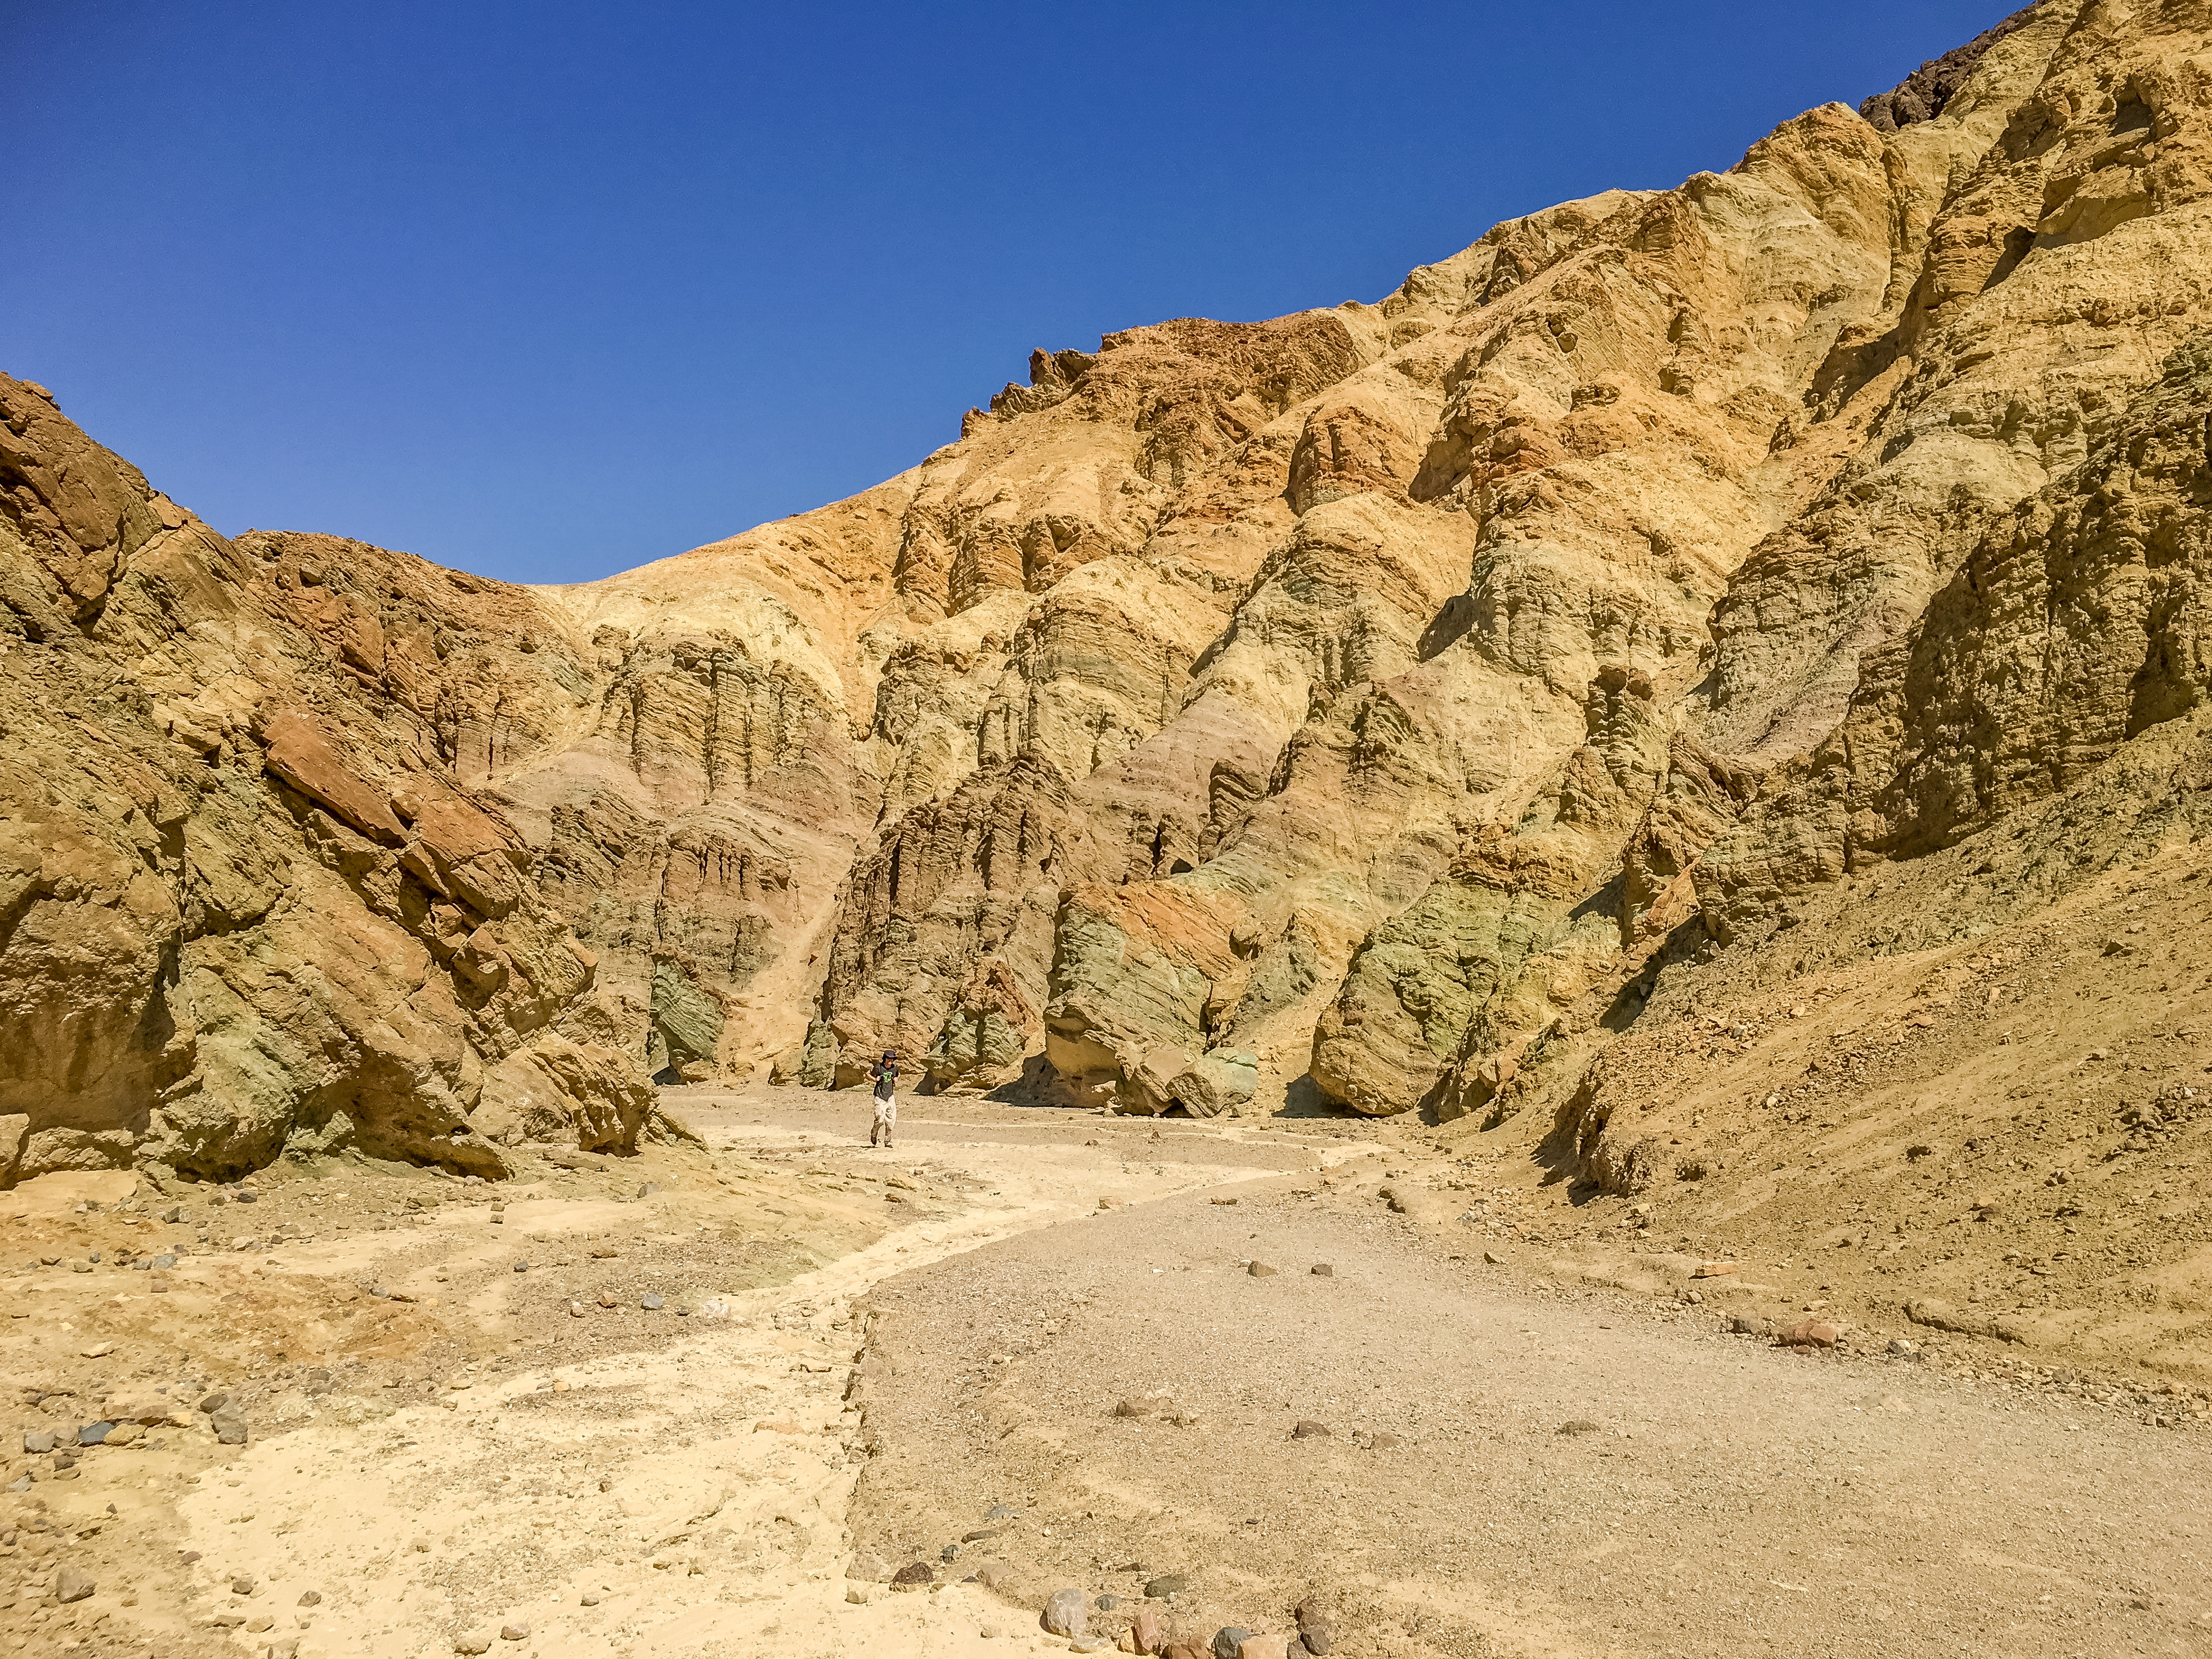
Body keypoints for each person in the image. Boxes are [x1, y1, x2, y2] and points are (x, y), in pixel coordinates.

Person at [868, 1051, 898, 1147]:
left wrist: (896, 1079)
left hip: (890, 1096)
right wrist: (875, 1079)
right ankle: (874, 1133)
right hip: (880, 1096)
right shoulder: (879, 1067)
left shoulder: (895, 1068)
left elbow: (898, 1074)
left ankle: (888, 1141)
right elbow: (868, 1074)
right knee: (880, 1120)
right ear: (885, 1058)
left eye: (892, 1059)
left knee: (891, 1120)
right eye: (889, 1058)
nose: (891, 1061)